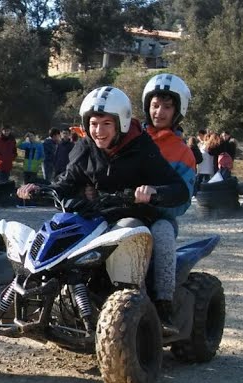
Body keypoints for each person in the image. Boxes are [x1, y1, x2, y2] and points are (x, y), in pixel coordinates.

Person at [16, 86, 189, 335]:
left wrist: (153, 192)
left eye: (107, 123)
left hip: (137, 216)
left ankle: (162, 308)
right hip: (97, 215)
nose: (99, 131)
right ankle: (43, 297)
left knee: (159, 231)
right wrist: (40, 189)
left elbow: (179, 189)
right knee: (60, 228)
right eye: (94, 124)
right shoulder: (85, 147)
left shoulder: (142, 147)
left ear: (122, 123)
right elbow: (66, 181)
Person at [141, 72, 197, 219]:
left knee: (163, 229)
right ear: (147, 107)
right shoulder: (130, 139)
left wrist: (155, 199)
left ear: (177, 111)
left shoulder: (183, 153)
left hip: (158, 220)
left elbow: (183, 202)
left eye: (167, 107)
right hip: (121, 214)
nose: (159, 112)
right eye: (155, 105)